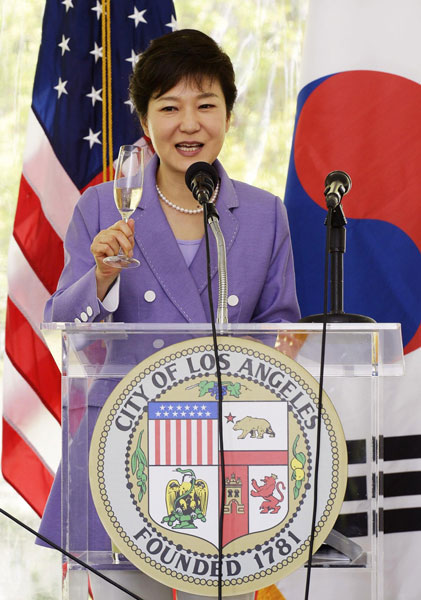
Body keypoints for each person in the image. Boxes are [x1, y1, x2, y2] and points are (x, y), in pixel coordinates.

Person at [40, 29, 300, 600]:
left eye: (206, 105)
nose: (190, 124)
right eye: (170, 107)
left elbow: (281, 327)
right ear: (144, 119)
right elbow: (62, 326)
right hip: (117, 464)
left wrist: (289, 343)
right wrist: (103, 275)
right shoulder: (102, 207)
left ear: (228, 116)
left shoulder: (264, 215)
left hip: (228, 468)